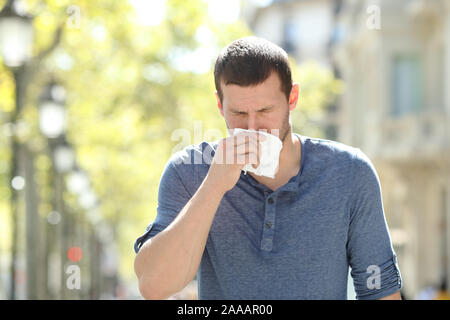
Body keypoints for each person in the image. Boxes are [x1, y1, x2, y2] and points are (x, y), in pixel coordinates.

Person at [133, 36, 403, 300]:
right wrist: (213, 186)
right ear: (219, 105)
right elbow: (154, 287)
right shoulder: (189, 172)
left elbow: (381, 292)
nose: (253, 127)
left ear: (292, 98)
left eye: (264, 110)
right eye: (239, 113)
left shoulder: (350, 173)